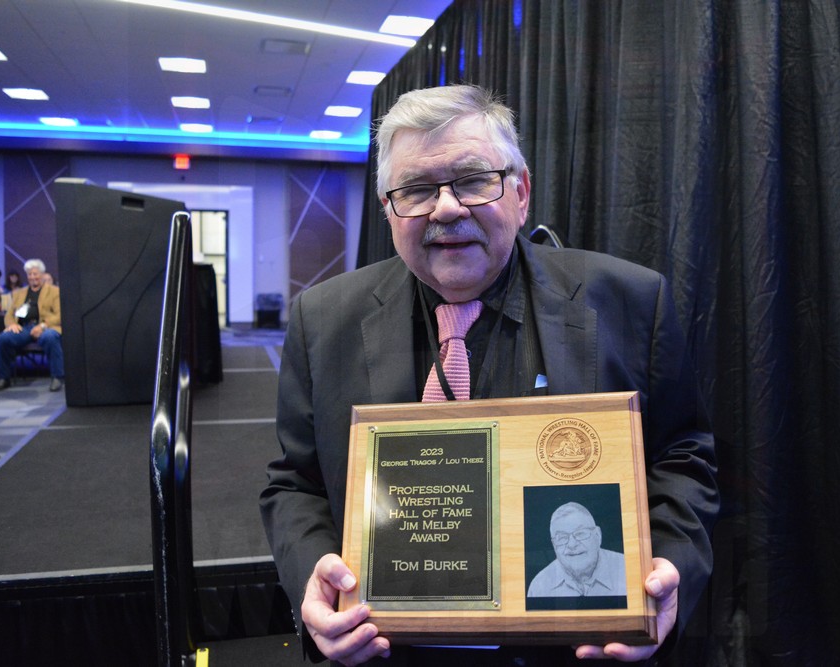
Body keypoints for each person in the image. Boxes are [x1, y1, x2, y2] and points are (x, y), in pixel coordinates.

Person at [260, 84, 718, 665]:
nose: (446, 208)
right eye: (417, 190)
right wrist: (312, 579)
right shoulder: (321, 320)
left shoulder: (631, 300)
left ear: (520, 192)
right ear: (388, 210)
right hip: (383, 651)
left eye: (473, 180)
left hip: (572, 651)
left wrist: (669, 571)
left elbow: (683, 458)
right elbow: (294, 483)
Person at [0, 259, 65, 392]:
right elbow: (10, 314)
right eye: (30, 274)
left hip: (46, 327)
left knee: (50, 337)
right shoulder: (20, 293)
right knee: (3, 338)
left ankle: (57, 377)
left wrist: (43, 326)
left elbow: (60, 315)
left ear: (42, 275)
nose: (33, 277)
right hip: (24, 328)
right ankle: (4, 378)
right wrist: (12, 324)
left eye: (35, 274)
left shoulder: (54, 291)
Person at [527, 502, 627, 598]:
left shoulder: (626, 569)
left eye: (580, 533)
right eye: (562, 537)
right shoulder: (539, 587)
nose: (572, 544)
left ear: (597, 536)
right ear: (554, 545)